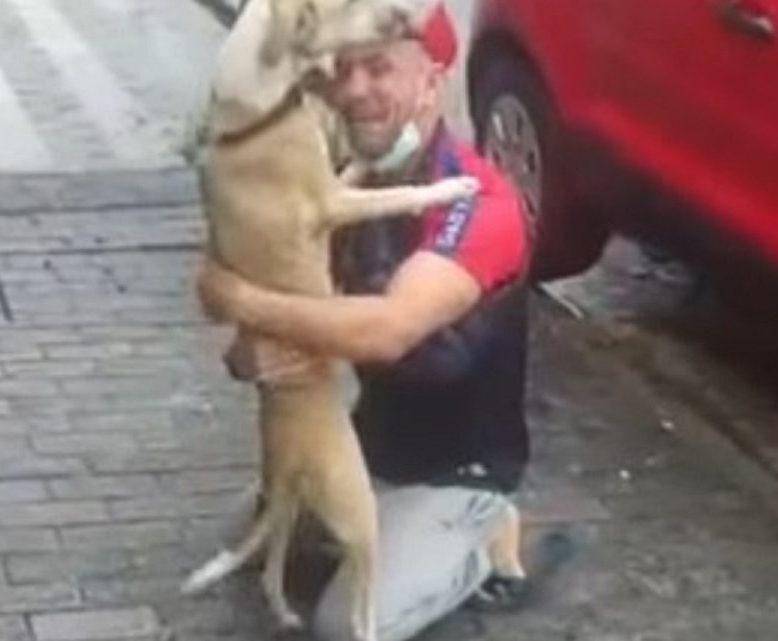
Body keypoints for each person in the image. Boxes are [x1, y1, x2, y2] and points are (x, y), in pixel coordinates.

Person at [197, 3, 532, 639]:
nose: (355, 91)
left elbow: (387, 329)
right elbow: (243, 312)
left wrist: (235, 297)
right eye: (342, 72)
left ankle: (487, 531)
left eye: (379, 70)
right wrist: (249, 353)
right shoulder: (335, 180)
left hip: (453, 473)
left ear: (432, 78)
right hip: (360, 448)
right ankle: (375, 523)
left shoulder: (478, 200)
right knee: (241, 541)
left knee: (344, 625)